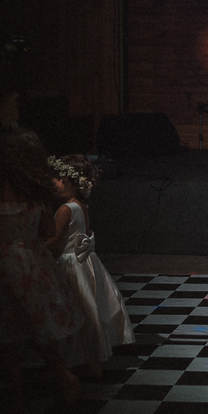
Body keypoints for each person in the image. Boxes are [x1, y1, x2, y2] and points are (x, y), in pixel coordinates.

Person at [0, 128, 82, 412]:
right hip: (29, 263)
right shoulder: (34, 197)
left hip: (0, 262)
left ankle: (19, 394)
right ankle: (58, 378)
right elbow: (47, 232)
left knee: (8, 330)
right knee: (28, 326)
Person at [44, 154, 135, 378]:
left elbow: (56, 243)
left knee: (74, 312)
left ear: (71, 181)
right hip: (84, 264)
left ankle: (74, 360)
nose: (53, 183)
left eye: (57, 179)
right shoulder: (80, 205)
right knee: (86, 311)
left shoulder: (65, 209)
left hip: (70, 265)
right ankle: (90, 360)